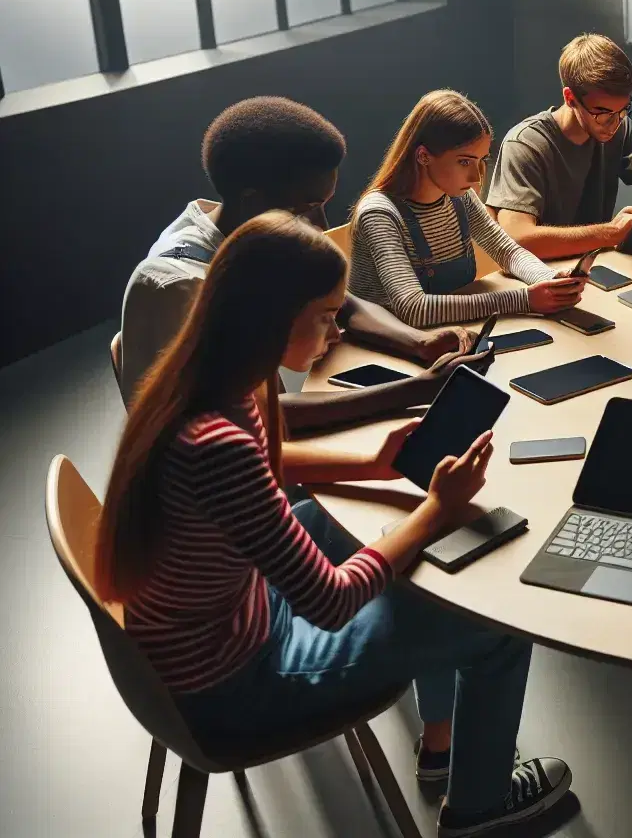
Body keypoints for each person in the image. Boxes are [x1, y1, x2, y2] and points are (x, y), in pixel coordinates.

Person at [95, 213, 574, 837]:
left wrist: (371, 464)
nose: (335, 328)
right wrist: (437, 508)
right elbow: (329, 600)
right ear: (274, 318)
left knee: (357, 528)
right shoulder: (217, 442)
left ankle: (443, 744)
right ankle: (478, 808)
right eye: (325, 315)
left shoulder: (208, 376)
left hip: (214, 624)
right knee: (497, 625)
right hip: (237, 680)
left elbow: (270, 460)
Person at [119, 96, 488, 430]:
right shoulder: (183, 289)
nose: (322, 227)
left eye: (325, 205)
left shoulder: (247, 230)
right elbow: (265, 419)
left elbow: (343, 302)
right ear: (252, 200)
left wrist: (418, 342)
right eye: (308, 209)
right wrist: (416, 390)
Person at [350, 90, 584, 326]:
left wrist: (552, 280)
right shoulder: (379, 214)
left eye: (480, 160)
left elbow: (508, 252)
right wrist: (525, 300)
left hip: (449, 330)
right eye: (464, 162)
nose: (476, 178)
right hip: (388, 347)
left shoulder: (460, 198)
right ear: (423, 156)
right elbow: (413, 308)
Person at [487, 33, 632, 258]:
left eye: (623, 109)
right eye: (603, 113)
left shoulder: (620, 126)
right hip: (543, 276)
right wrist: (610, 233)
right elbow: (518, 238)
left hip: (596, 263)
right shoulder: (525, 145)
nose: (614, 123)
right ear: (570, 98)